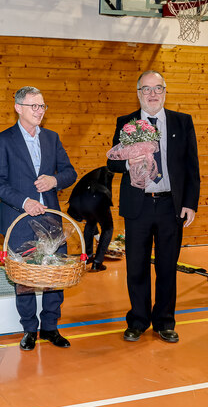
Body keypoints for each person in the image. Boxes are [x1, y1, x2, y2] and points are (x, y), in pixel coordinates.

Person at [107, 70, 200, 344]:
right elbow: (112, 162)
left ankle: (165, 322)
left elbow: (191, 166)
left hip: (171, 205)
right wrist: (128, 163)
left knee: (167, 267)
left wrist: (190, 203)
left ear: (165, 91)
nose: (152, 94)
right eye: (146, 89)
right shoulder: (126, 123)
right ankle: (137, 321)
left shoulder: (182, 122)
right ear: (138, 93)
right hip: (139, 206)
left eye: (157, 88)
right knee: (136, 267)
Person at [0, 86, 77, 351]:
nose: (39, 111)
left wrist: (54, 180)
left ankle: (50, 327)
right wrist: (24, 202)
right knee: (24, 279)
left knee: (55, 276)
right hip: (19, 219)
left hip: (51, 220)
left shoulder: (52, 138)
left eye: (42, 106)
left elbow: (70, 173)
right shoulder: (3, 140)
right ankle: (29, 329)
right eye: (34, 106)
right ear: (18, 108)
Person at [66, 166, 115, 272]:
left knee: (91, 222)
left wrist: (97, 235)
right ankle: (97, 262)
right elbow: (106, 192)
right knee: (108, 227)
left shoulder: (94, 173)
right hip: (95, 198)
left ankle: (87, 257)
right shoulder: (108, 171)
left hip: (78, 201)